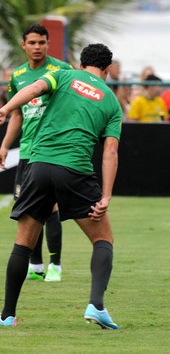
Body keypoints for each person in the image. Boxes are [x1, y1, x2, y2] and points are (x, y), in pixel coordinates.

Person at [0, 43, 122, 328]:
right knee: (103, 240)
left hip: (39, 165)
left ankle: (6, 315)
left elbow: (33, 90)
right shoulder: (112, 102)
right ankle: (96, 305)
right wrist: (105, 196)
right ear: (107, 69)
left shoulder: (64, 75)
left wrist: (5, 108)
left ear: (81, 64)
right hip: (75, 171)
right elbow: (110, 152)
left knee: (23, 243)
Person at [0, 24, 73, 282]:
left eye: (41, 42)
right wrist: (5, 145)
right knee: (29, 209)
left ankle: (56, 265)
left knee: (51, 207)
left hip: (51, 150)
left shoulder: (61, 70)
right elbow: (17, 115)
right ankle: (37, 265)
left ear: (48, 43)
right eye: (32, 42)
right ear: (24, 45)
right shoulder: (18, 75)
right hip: (28, 151)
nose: (37, 47)